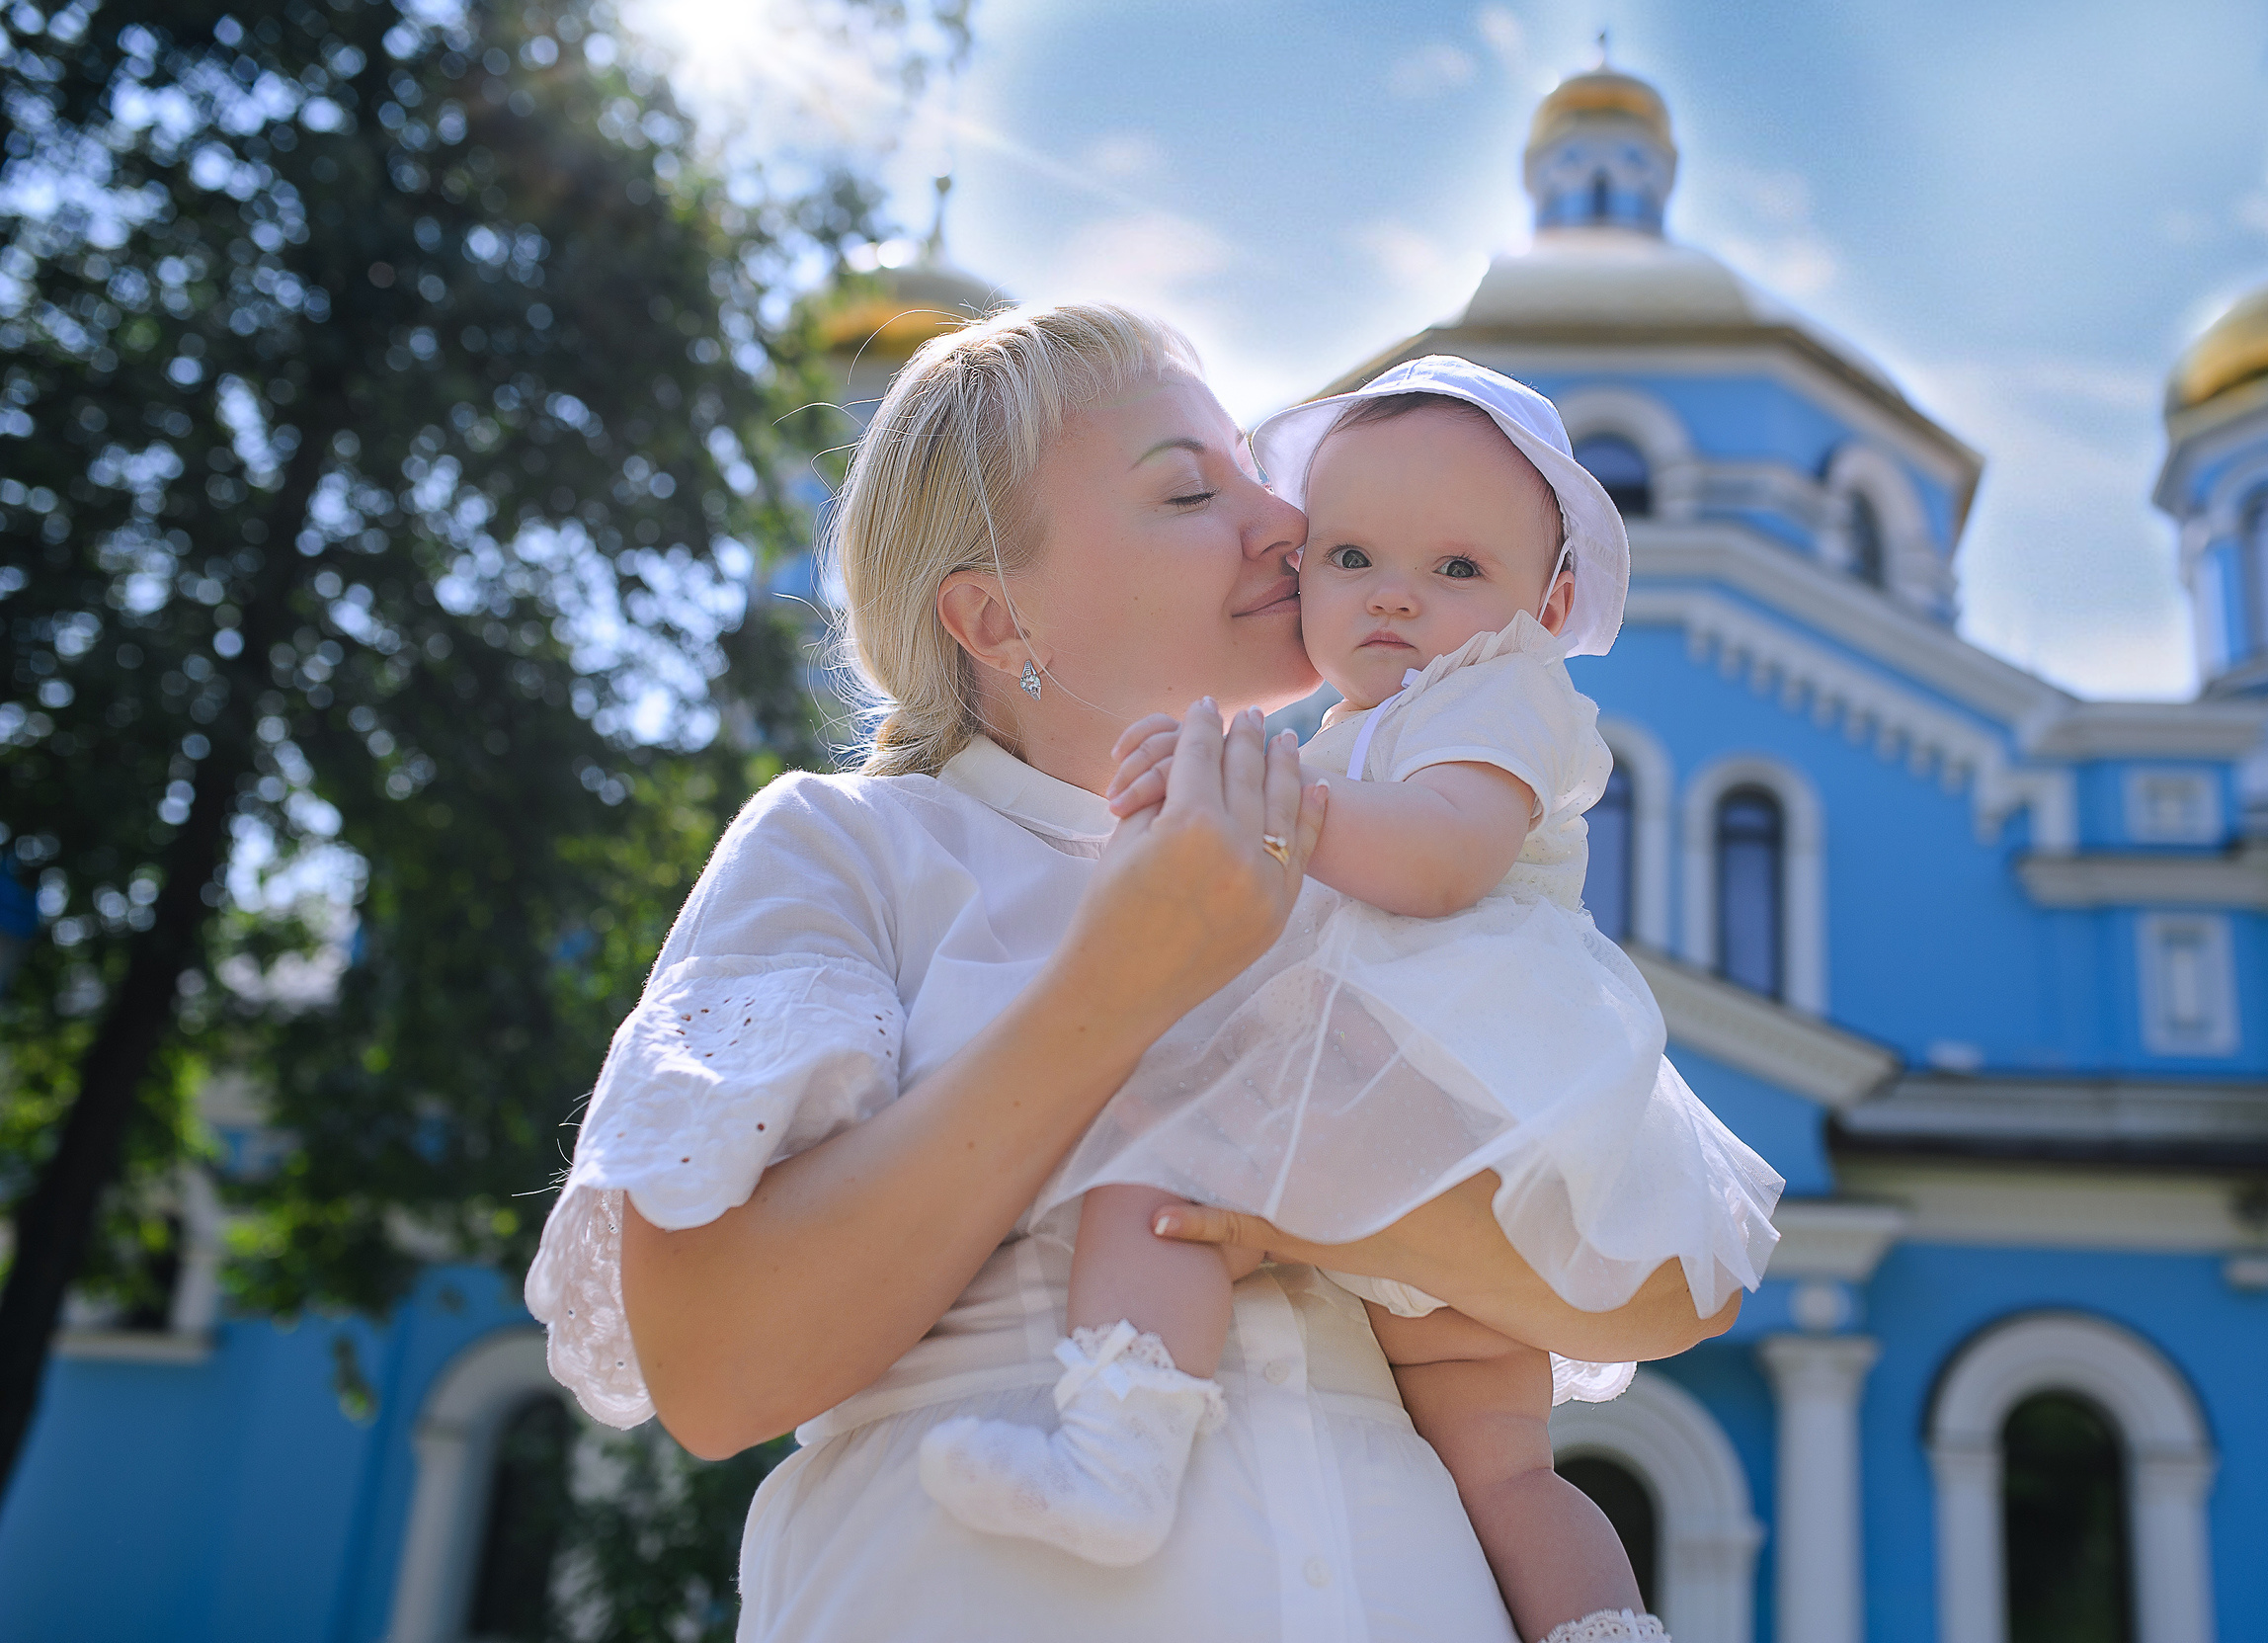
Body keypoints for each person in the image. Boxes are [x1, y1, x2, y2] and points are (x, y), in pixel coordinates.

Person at [524, 305, 1742, 1643]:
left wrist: (1287, 1216)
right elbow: (718, 1371)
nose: (1282, 522)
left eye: (1256, 474)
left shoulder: (1354, 870)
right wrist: (1123, 978)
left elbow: (1672, 1288)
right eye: (1190, 491)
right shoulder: (851, 851)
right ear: (998, 616)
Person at [915, 358, 1782, 1643]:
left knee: (1157, 1148)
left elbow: (1443, 861)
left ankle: (1119, 1450)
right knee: (1497, 1469)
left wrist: (1268, 801)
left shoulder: (1500, 692)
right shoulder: (1341, 738)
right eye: (1352, 555)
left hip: (1471, 1084)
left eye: (1457, 568)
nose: (1394, 595)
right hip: (1413, 1122)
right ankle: (1590, 1625)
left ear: (1546, 606)